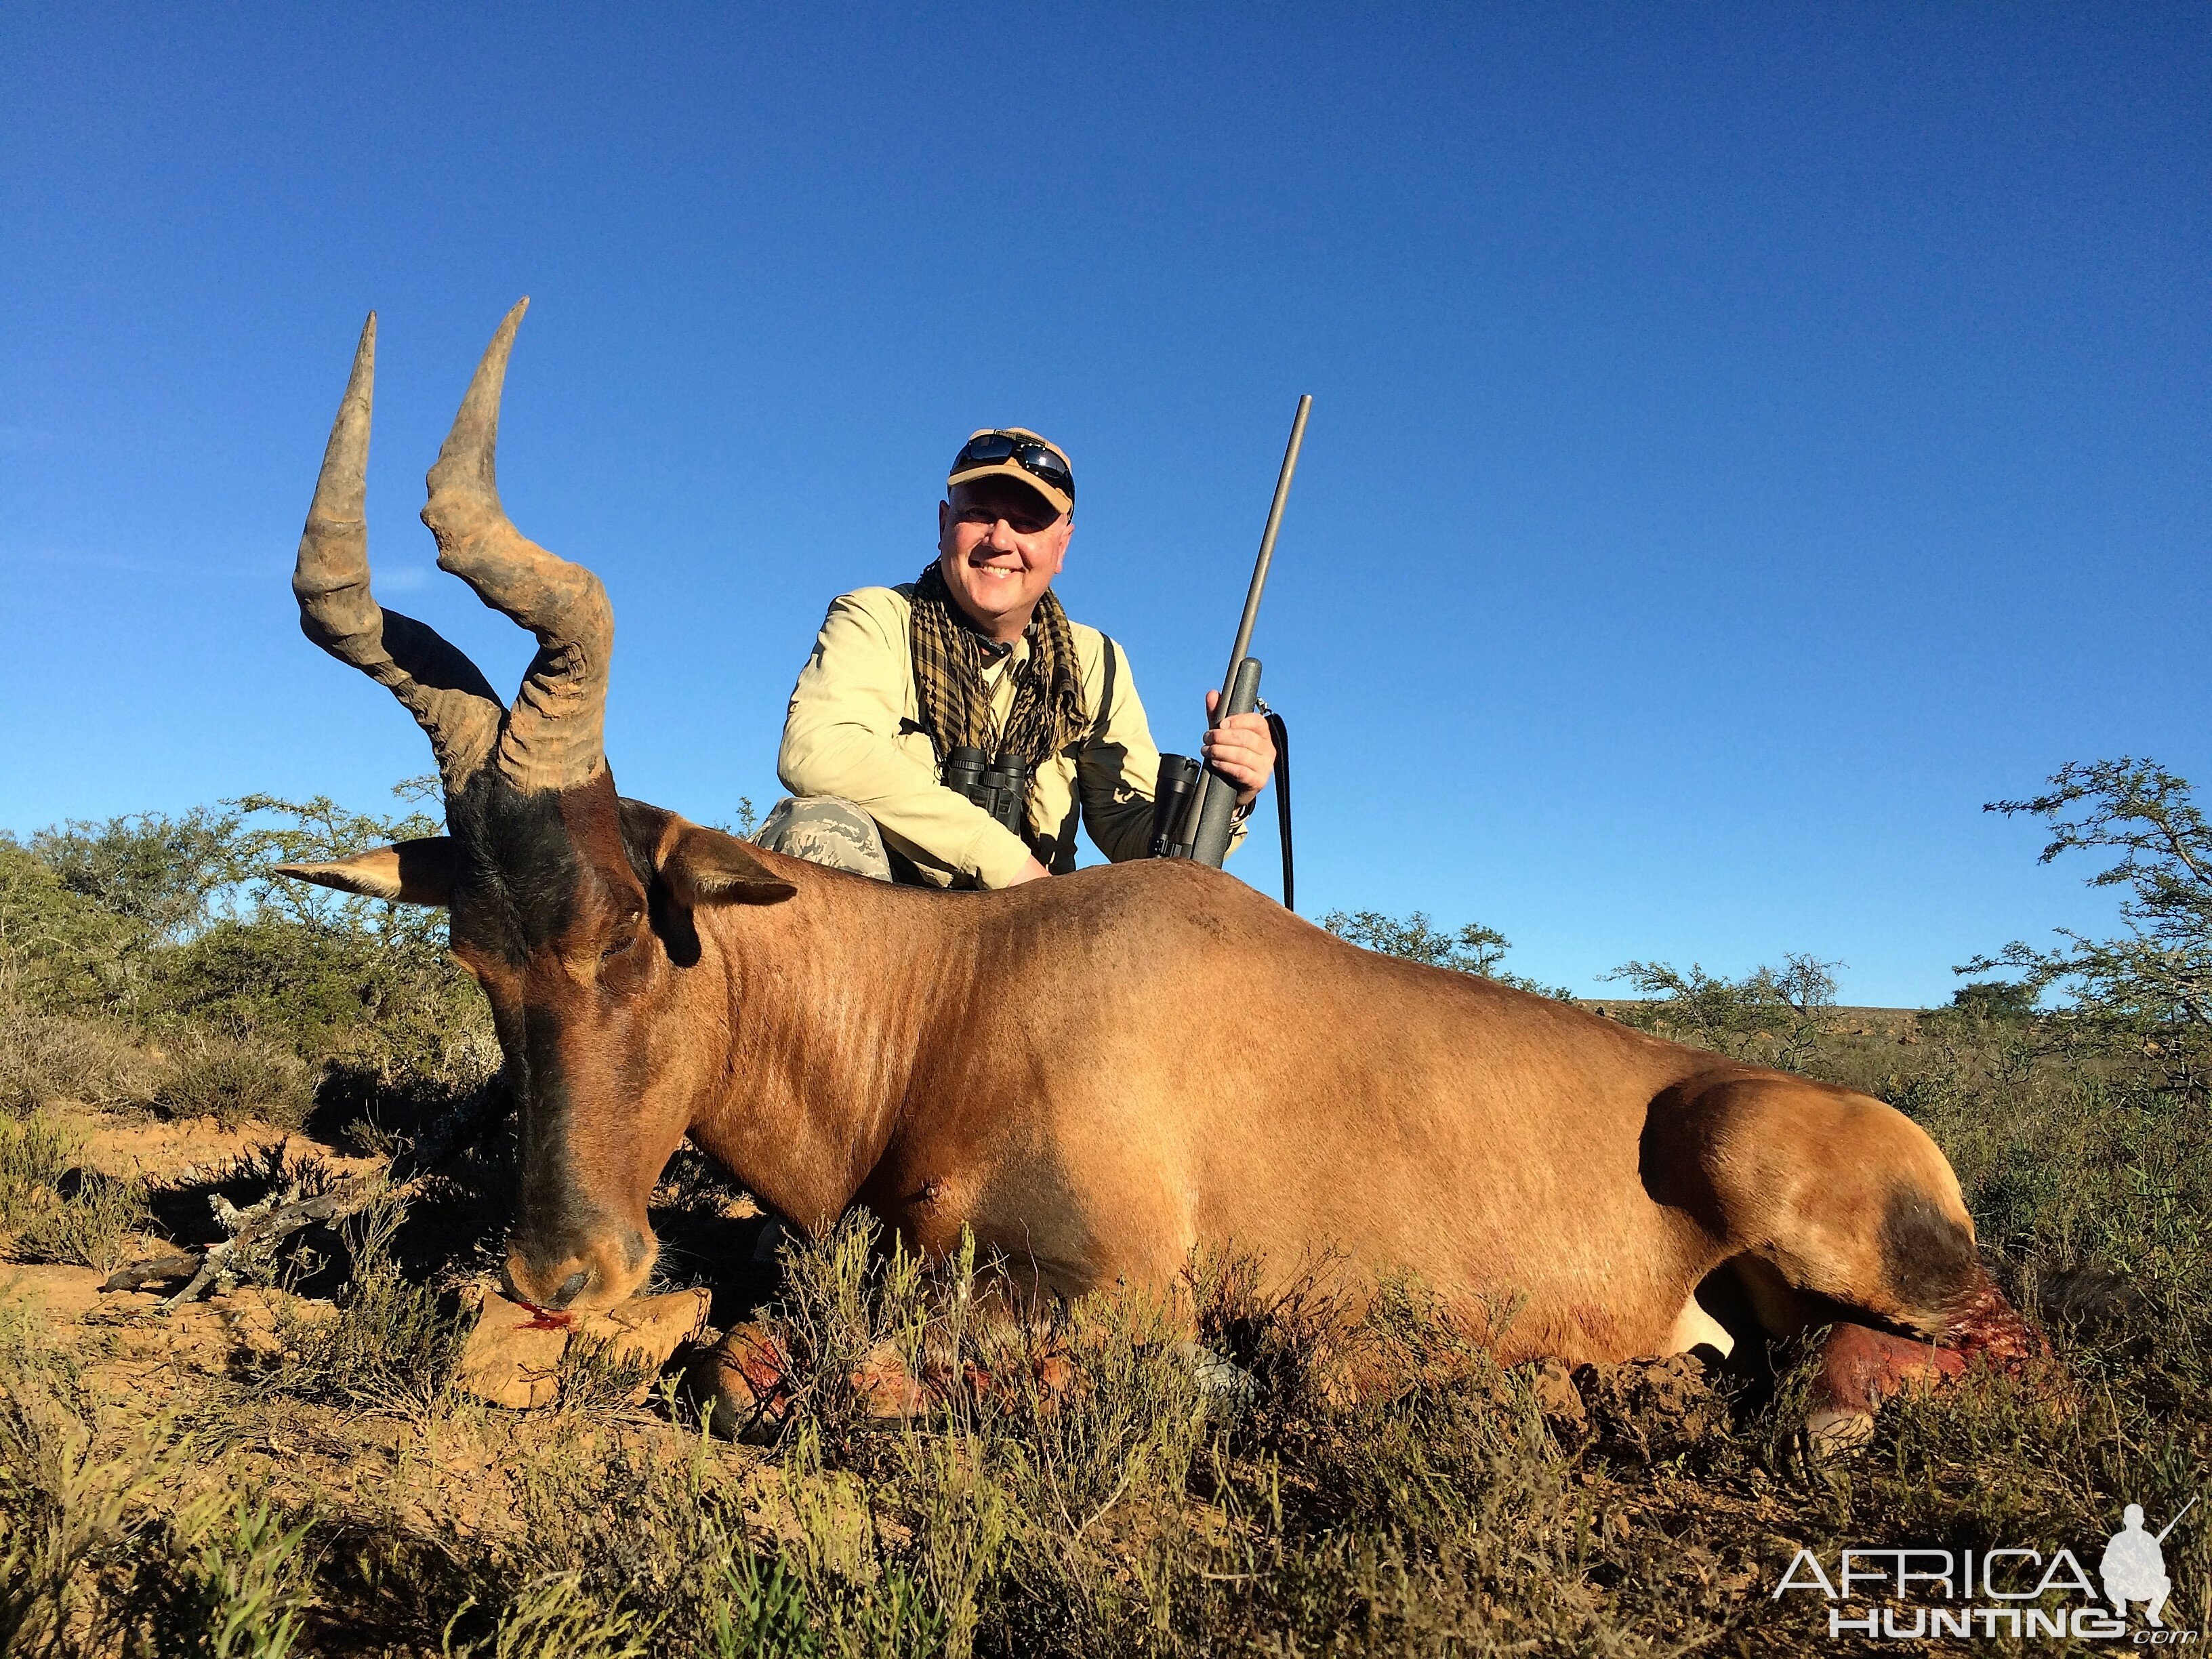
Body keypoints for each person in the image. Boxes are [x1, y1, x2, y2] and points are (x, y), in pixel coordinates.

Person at [765, 427, 1276, 888]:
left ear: (1062, 546)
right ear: (945, 523)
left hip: (1030, 934)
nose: (1000, 540)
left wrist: (1230, 792)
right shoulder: (877, 617)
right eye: (979, 514)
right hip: (894, 926)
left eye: (1028, 523)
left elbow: (1132, 836)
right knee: (818, 828)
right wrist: (1003, 860)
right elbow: (818, 747)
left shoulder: (1097, 661)